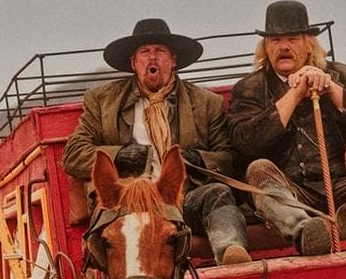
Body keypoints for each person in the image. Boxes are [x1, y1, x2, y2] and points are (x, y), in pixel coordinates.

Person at [62, 18, 250, 265]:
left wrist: (196, 159)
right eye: (144, 52)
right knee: (115, 232)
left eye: (160, 51)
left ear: (173, 61)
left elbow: (229, 158)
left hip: (181, 196)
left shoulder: (205, 103)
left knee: (217, 193)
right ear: (133, 63)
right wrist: (119, 155)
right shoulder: (102, 101)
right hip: (125, 202)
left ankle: (232, 253)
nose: (152, 58)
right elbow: (73, 154)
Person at [226, 0, 346, 255]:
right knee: (258, 169)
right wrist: (294, 94)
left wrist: (333, 91)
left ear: (309, 43)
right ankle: (306, 233)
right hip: (292, 193)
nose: (283, 46)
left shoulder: (345, 76)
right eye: (274, 40)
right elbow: (246, 144)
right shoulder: (249, 88)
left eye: (292, 39)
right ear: (265, 48)